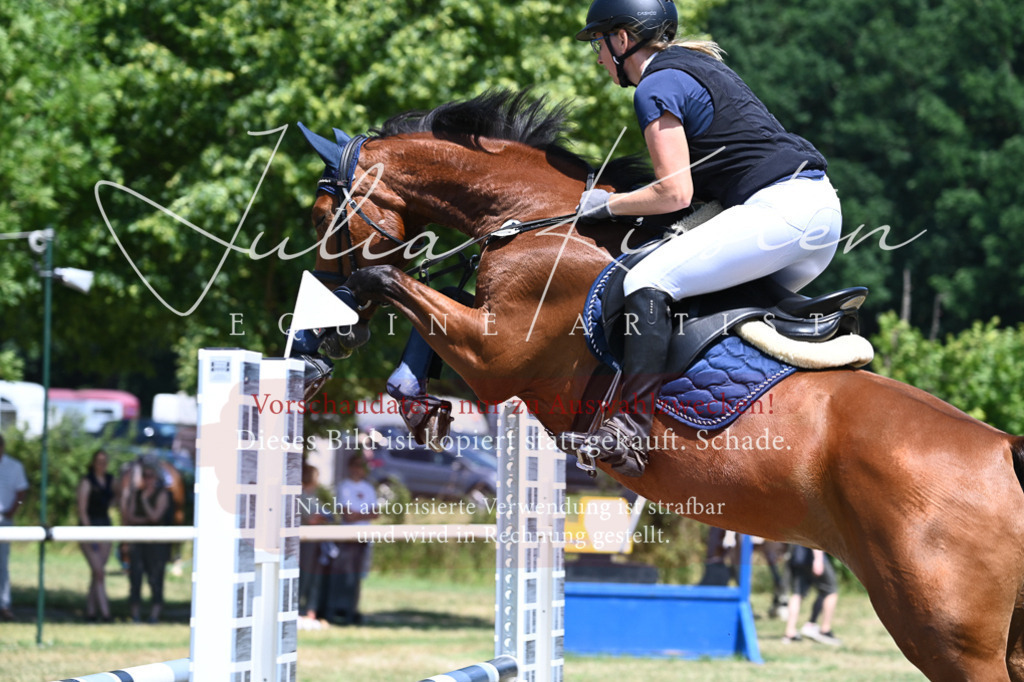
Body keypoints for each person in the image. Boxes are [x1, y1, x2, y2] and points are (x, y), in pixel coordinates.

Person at [559, 0, 842, 477]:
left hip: (781, 212)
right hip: (818, 215)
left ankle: (631, 429)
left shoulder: (655, 85)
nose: (599, 58)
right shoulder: (696, 66)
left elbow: (674, 192)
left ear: (622, 39)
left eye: (599, 44)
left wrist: (606, 205)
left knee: (646, 281)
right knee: (700, 307)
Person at [326, 451, 378, 625]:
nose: (358, 470)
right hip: (347, 537)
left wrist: (358, 514)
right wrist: (364, 514)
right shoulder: (344, 487)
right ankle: (336, 608)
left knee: (356, 576)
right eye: (355, 466)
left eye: (360, 467)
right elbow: (347, 516)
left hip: (363, 538)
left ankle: (351, 609)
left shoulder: (368, 488)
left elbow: (375, 513)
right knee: (342, 574)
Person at [121, 462, 173, 623]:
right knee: (135, 578)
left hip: (156, 544)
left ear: (156, 477)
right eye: (145, 476)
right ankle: (135, 615)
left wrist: (144, 502)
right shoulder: (136, 494)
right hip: (138, 543)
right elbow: (129, 516)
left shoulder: (162, 494)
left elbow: (155, 517)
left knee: (155, 578)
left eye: (151, 476)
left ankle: (154, 616)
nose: (148, 479)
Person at [77, 449, 115, 622]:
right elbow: (82, 511)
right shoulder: (87, 482)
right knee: (99, 572)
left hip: (105, 527)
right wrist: (90, 534)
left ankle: (91, 611)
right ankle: (106, 613)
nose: (102, 465)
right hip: (89, 528)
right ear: (93, 463)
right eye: (99, 462)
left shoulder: (110, 480)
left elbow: (118, 497)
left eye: (104, 461)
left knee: (97, 572)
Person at [783, 544, 841, 645]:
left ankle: (790, 632)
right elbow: (814, 538)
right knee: (831, 591)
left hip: (797, 556)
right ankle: (825, 630)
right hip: (812, 557)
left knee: (797, 594)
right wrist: (818, 559)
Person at [298, 462, 332, 630]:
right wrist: (321, 517)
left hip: (316, 543)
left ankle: (310, 611)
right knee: (304, 577)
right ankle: (299, 610)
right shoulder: (301, 496)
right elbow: (311, 519)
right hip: (305, 543)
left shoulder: (313, 496)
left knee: (314, 578)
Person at [0, 434, 29, 622]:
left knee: (2, 564)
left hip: (4, 519)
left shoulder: (14, 466)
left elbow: (21, 492)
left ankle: (4, 604)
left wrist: (13, 510)